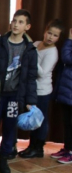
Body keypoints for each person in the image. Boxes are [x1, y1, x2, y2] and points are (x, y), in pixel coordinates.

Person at [0, 9, 38, 173]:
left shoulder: (29, 49)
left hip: (14, 96)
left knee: (10, 127)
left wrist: (30, 100)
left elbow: (31, 77)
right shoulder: (0, 43)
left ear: (27, 26)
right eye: (14, 20)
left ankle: (4, 158)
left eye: (20, 22)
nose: (16, 24)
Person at [19, 19, 63, 158]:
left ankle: (38, 148)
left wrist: (33, 57)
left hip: (42, 91)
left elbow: (42, 72)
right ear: (45, 31)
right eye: (49, 33)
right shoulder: (37, 44)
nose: (51, 37)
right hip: (31, 89)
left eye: (55, 35)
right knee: (32, 119)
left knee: (40, 120)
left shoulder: (52, 52)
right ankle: (31, 145)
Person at [52, 28, 72, 164]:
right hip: (67, 91)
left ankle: (71, 152)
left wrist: (69, 40)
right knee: (67, 122)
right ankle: (67, 148)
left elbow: (67, 57)